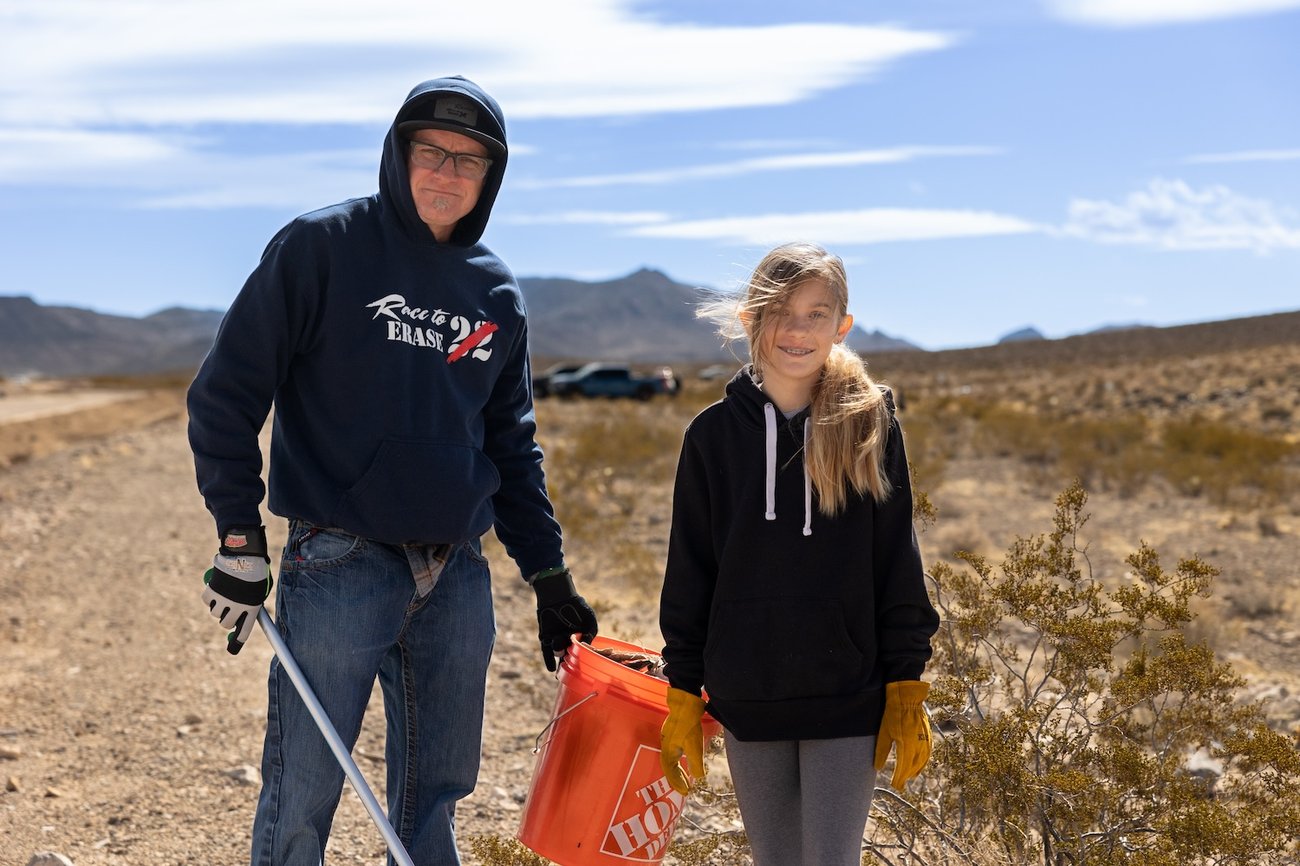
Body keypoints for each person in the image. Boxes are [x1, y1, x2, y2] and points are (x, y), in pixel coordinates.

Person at [187, 75, 598, 866]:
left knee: (437, 797)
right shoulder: (323, 247)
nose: (447, 174)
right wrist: (239, 537)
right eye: (432, 152)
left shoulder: (495, 291)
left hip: (456, 577)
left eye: (469, 162)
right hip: (340, 562)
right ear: (398, 154)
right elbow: (225, 393)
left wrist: (548, 575)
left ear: (490, 178)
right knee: (304, 786)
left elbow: (511, 445)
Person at [657, 242, 939, 866]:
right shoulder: (709, 437)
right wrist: (683, 688)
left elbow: (897, 561)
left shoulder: (870, 424)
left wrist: (905, 681)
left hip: (849, 689)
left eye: (817, 313)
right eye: (780, 311)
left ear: (842, 326)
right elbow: (690, 572)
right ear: (749, 321)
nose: (797, 329)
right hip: (747, 692)